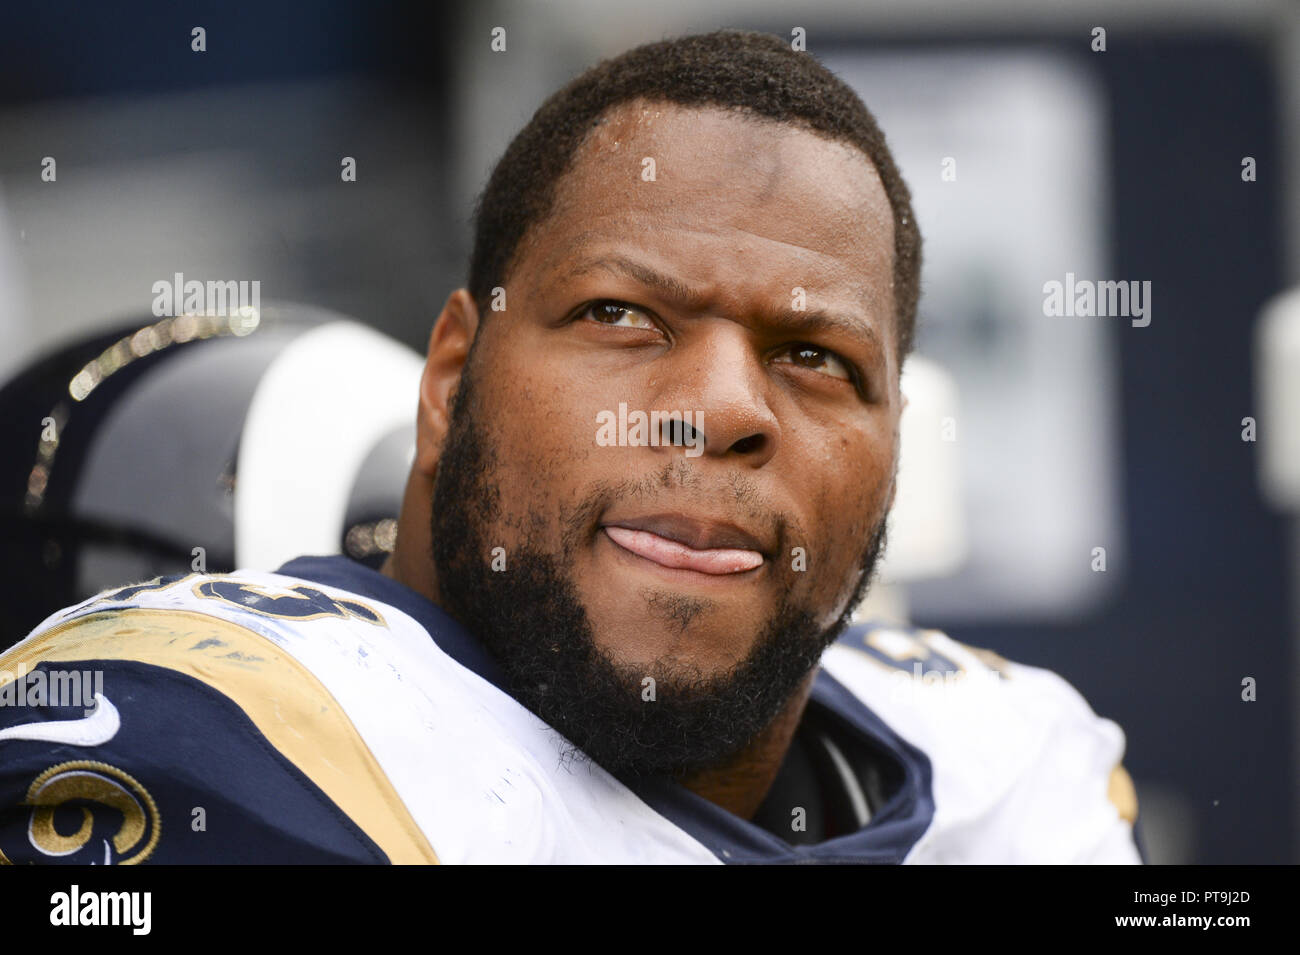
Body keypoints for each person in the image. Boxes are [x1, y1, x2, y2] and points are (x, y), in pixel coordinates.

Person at [0, 29, 1142, 864]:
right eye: (622, 315)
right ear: (449, 381)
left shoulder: (1018, 772)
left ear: (896, 447)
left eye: (815, 358)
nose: (718, 409)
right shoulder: (221, 746)